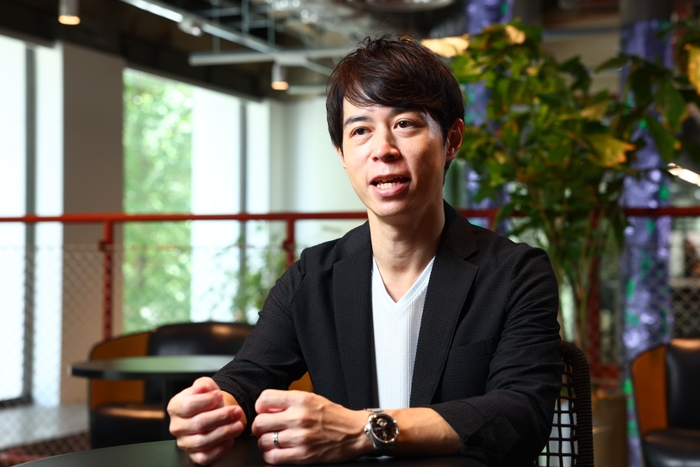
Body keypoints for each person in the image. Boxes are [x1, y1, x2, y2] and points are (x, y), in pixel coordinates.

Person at [167, 35, 562, 467]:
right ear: (341, 152)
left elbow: (522, 414)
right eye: (360, 130)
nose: (383, 150)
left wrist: (365, 429)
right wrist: (212, 409)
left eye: (405, 124)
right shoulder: (313, 276)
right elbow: (248, 377)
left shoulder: (516, 273)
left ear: (452, 140)